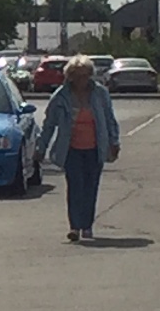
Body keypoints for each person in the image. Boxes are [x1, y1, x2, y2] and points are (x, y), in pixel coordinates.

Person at [35, 57, 122, 243]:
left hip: (95, 148)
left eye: (86, 75)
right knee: (75, 187)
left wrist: (114, 142)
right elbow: (49, 124)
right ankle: (74, 227)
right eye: (78, 76)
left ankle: (87, 225)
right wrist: (41, 148)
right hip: (71, 149)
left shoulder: (100, 93)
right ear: (70, 77)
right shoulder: (61, 96)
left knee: (90, 187)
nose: (83, 80)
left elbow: (109, 119)